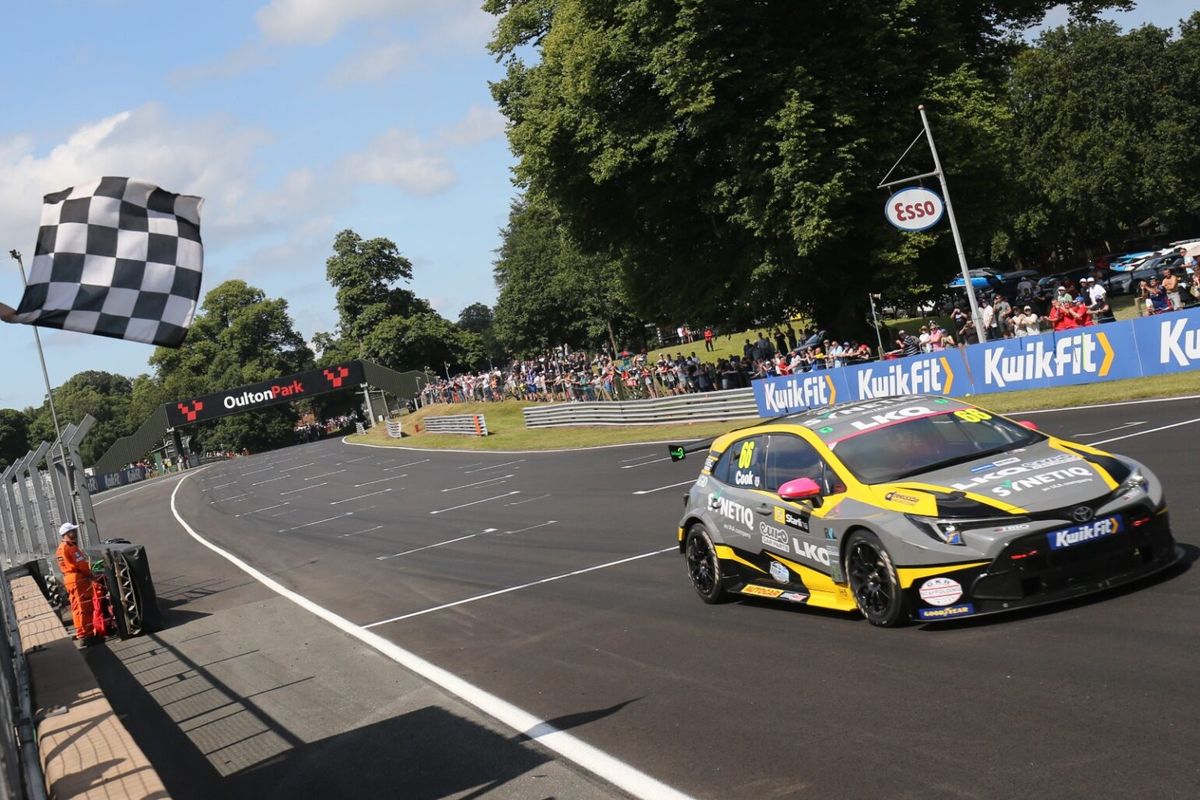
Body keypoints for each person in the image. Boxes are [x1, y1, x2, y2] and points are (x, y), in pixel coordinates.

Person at [56, 523, 98, 645]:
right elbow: (82, 564)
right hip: (77, 579)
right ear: (66, 534)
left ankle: (81, 632)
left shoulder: (60, 548)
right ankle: (87, 635)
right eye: (72, 531)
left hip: (68, 579)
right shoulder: (71, 547)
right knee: (84, 606)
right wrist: (90, 574)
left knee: (76, 607)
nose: (75, 533)